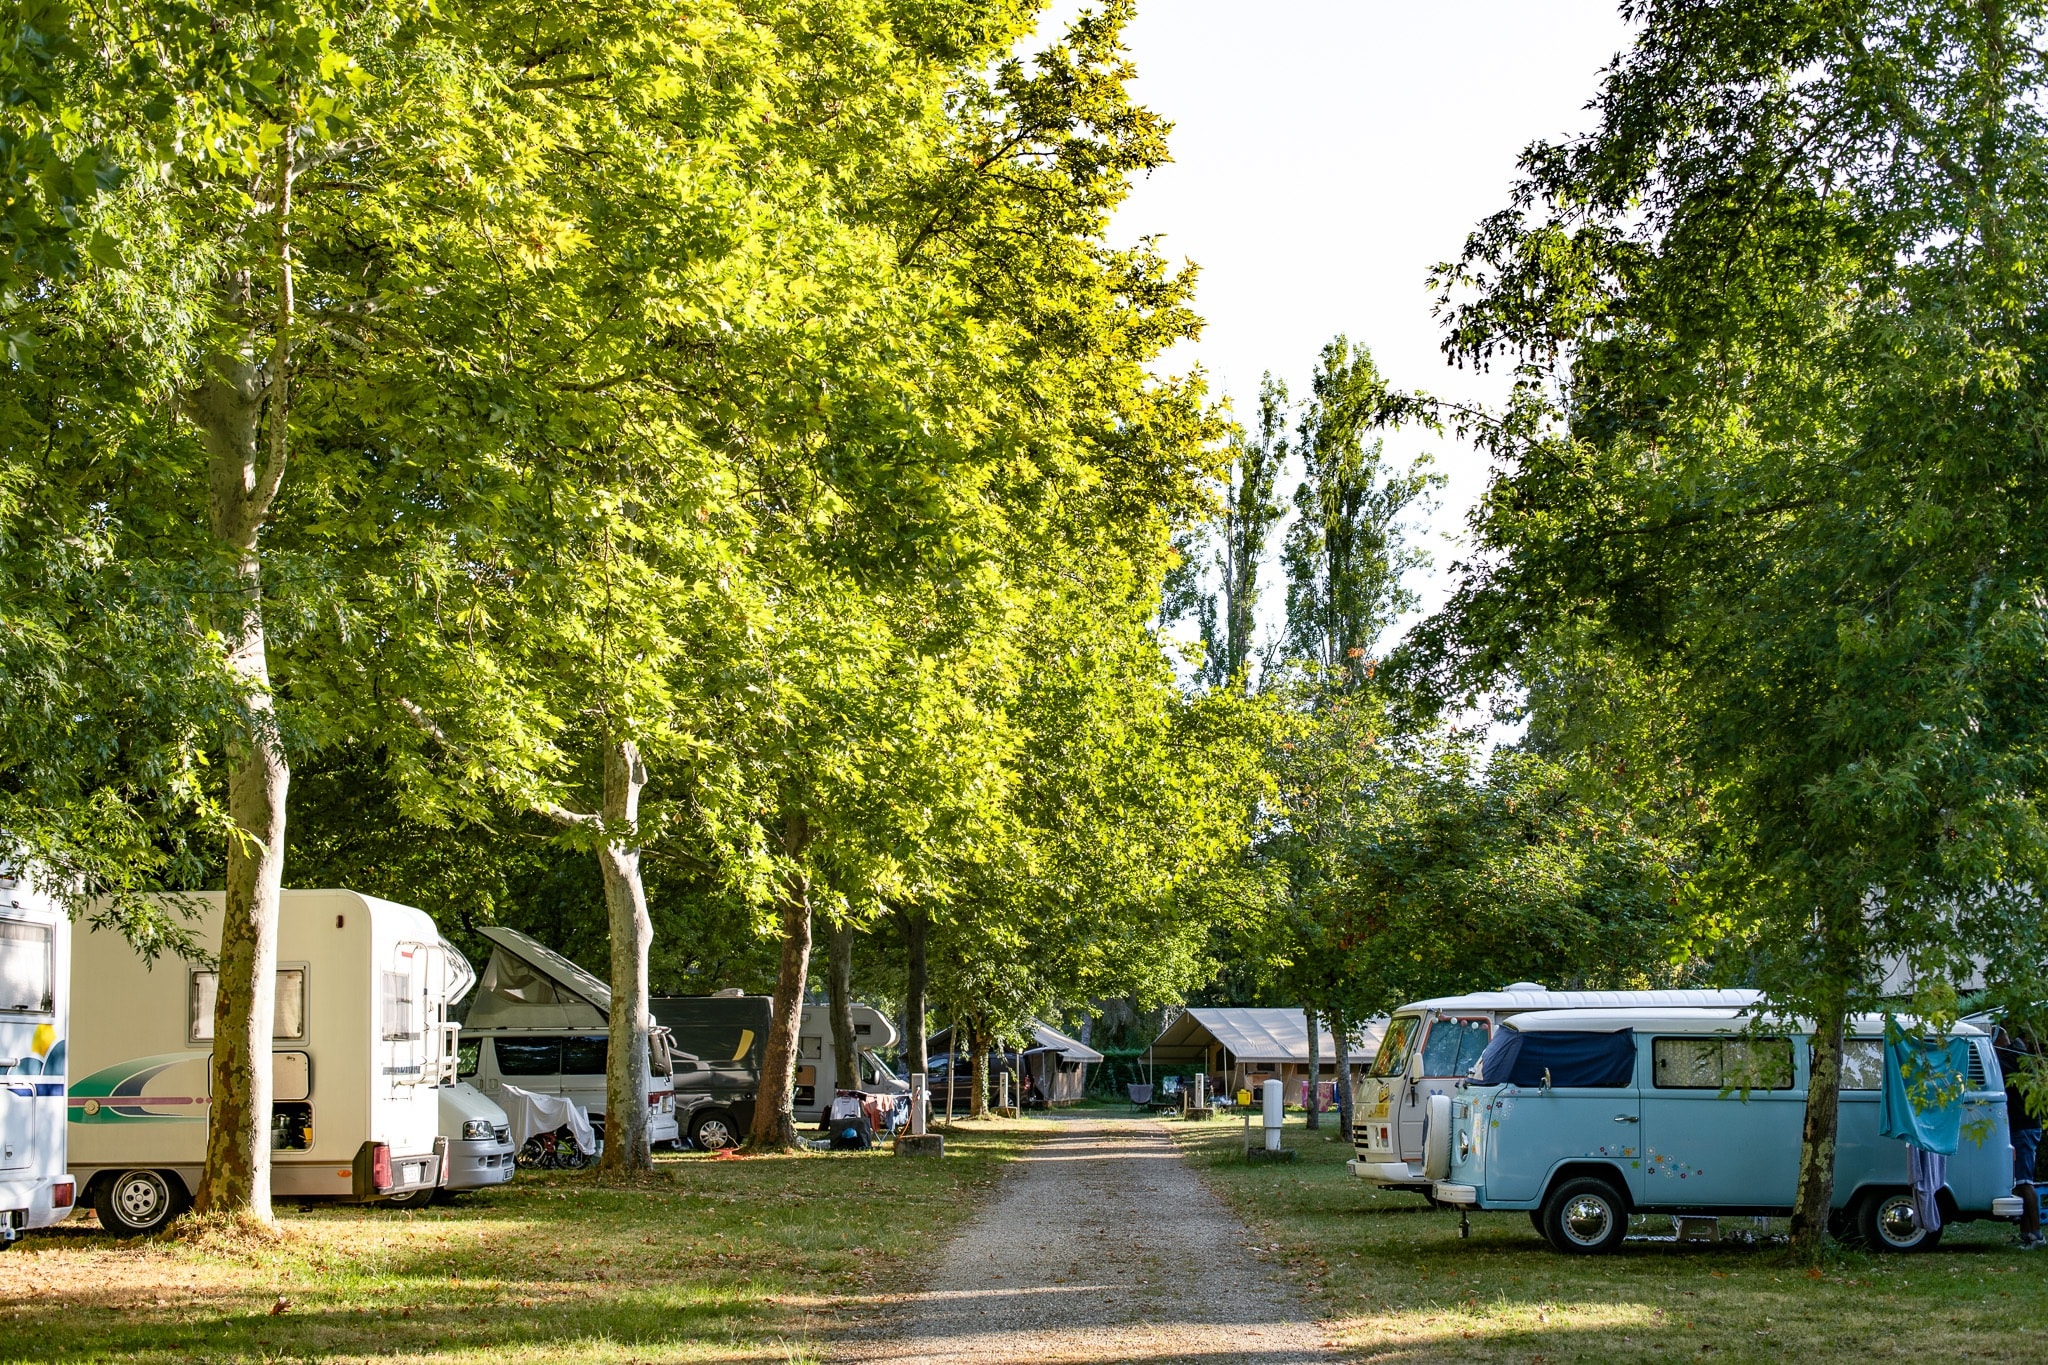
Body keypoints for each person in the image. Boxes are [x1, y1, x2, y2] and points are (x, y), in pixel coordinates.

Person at [1995, 1026, 2043, 1249]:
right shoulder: (2016, 1058)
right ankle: (2026, 1234)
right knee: (2020, 1183)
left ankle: (2037, 1235)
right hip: (2023, 1127)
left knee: (2025, 1183)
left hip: (2024, 1128)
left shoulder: (2011, 1062)